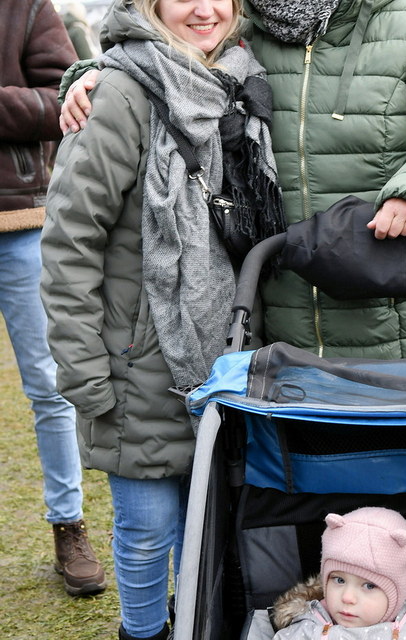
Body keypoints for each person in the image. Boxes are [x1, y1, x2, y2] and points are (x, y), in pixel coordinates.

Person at [58, 0, 406, 361]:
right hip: (280, 327)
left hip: (395, 316)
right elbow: (164, 57)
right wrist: (94, 76)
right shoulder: (245, 26)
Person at [40, 0, 284, 637]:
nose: (205, 10)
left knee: (214, 527)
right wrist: (85, 370)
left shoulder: (248, 82)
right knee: (148, 530)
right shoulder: (119, 95)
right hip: (139, 361)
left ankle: (194, 625)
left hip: (231, 353)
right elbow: (69, 243)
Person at [0, 0, 106, 597]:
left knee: (49, 385)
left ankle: (69, 525)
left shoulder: (27, 6)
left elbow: (65, 101)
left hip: (17, 226)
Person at [270, 507, 406, 640]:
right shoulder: (300, 633)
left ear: (400, 594)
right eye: (339, 580)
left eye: (369, 585)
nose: (347, 597)